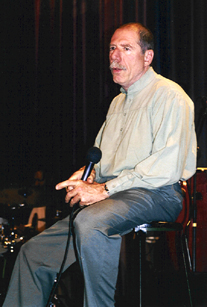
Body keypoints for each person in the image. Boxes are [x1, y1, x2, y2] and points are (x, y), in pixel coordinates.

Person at [3, 22, 196, 307]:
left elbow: (165, 167)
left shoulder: (171, 96)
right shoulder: (118, 103)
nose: (115, 56)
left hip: (158, 193)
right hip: (117, 194)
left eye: (126, 48)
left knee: (91, 221)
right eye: (112, 49)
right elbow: (103, 159)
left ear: (147, 57)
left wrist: (104, 190)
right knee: (34, 252)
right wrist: (85, 176)